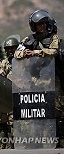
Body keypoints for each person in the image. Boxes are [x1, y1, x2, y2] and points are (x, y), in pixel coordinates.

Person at [14, 10, 64, 147]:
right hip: (36, 79)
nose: (41, 27)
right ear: (33, 26)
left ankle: (60, 139)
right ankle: (38, 140)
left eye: (43, 24)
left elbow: (54, 50)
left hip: (53, 79)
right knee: (37, 108)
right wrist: (24, 53)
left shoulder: (53, 38)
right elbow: (16, 53)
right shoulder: (29, 39)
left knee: (57, 110)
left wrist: (36, 52)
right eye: (38, 25)